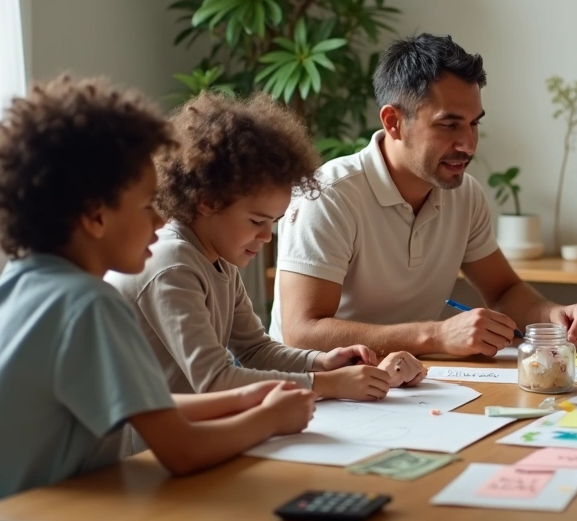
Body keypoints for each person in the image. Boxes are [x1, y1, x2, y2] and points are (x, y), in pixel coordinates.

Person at [0, 76, 315, 512]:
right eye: (147, 206)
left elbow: (145, 409)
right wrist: (270, 419)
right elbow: (182, 452)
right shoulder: (89, 305)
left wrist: (246, 397)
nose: (161, 222)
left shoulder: (18, 286)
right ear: (95, 216)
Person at [270, 34, 577, 356]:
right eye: (449, 125)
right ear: (393, 122)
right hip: (318, 393)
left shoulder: (464, 194)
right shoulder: (328, 196)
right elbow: (301, 333)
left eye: (474, 124)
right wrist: (437, 335)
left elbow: (505, 292)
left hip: (411, 384)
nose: (469, 145)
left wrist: (554, 317)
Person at [107, 93, 425, 402]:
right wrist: (327, 384)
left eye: (272, 223)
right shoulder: (173, 263)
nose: (267, 237)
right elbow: (215, 381)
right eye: (257, 221)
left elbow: (256, 350)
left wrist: (321, 362)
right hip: (143, 450)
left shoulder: (217, 256)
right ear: (208, 202)